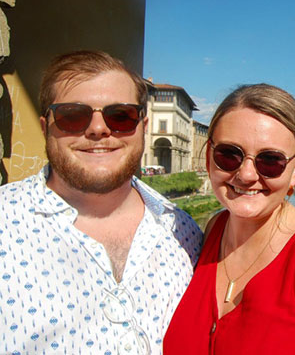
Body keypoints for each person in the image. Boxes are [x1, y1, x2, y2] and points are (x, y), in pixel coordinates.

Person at [0, 50, 202, 354]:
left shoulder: (184, 231)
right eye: (72, 115)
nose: (98, 129)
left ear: (143, 128)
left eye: (121, 116)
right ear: (45, 129)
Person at [163, 84, 295, 354]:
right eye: (229, 155)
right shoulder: (213, 229)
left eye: (270, 161)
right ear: (209, 156)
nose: (246, 175)